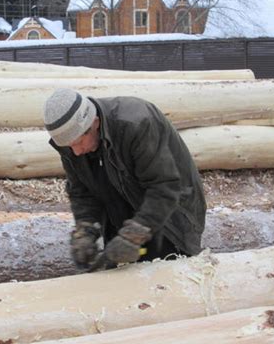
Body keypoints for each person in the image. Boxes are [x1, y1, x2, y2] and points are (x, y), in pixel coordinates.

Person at [43, 88, 207, 269]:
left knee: (163, 278)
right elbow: (82, 192)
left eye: (78, 143)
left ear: (95, 123)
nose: (76, 152)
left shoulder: (137, 123)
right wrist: (85, 230)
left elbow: (164, 187)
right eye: (69, 146)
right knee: (120, 278)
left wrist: (134, 235)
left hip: (170, 213)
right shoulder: (72, 140)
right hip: (122, 205)